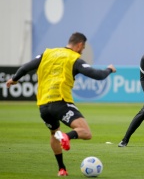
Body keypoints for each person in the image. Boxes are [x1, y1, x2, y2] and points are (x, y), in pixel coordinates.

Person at [6, 32, 116, 176]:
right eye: (83, 48)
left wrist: (14, 79)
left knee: (54, 132)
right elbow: (97, 75)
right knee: (86, 132)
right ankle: (67, 136)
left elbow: (25, 67)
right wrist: (109, 70)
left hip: (43, 106)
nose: (82, 51)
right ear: (79, 45)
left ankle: (62, 169)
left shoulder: (47, 53)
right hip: (61, 102)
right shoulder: (74, 59)